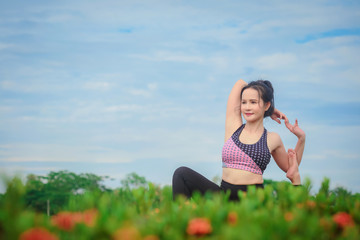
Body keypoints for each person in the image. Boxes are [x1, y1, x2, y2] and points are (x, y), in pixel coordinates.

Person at [172, 79, 306, 201]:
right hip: (224, 195)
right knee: (181, 174)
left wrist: (301, 139)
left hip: (251, 200)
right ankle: (182, 223)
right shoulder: (234, 127)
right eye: (244, 102)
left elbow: (291, 168)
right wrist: (269, 110)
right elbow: (240, 83)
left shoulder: (272, 138)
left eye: (253, 102)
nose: (247, 107)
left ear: (266, 105)